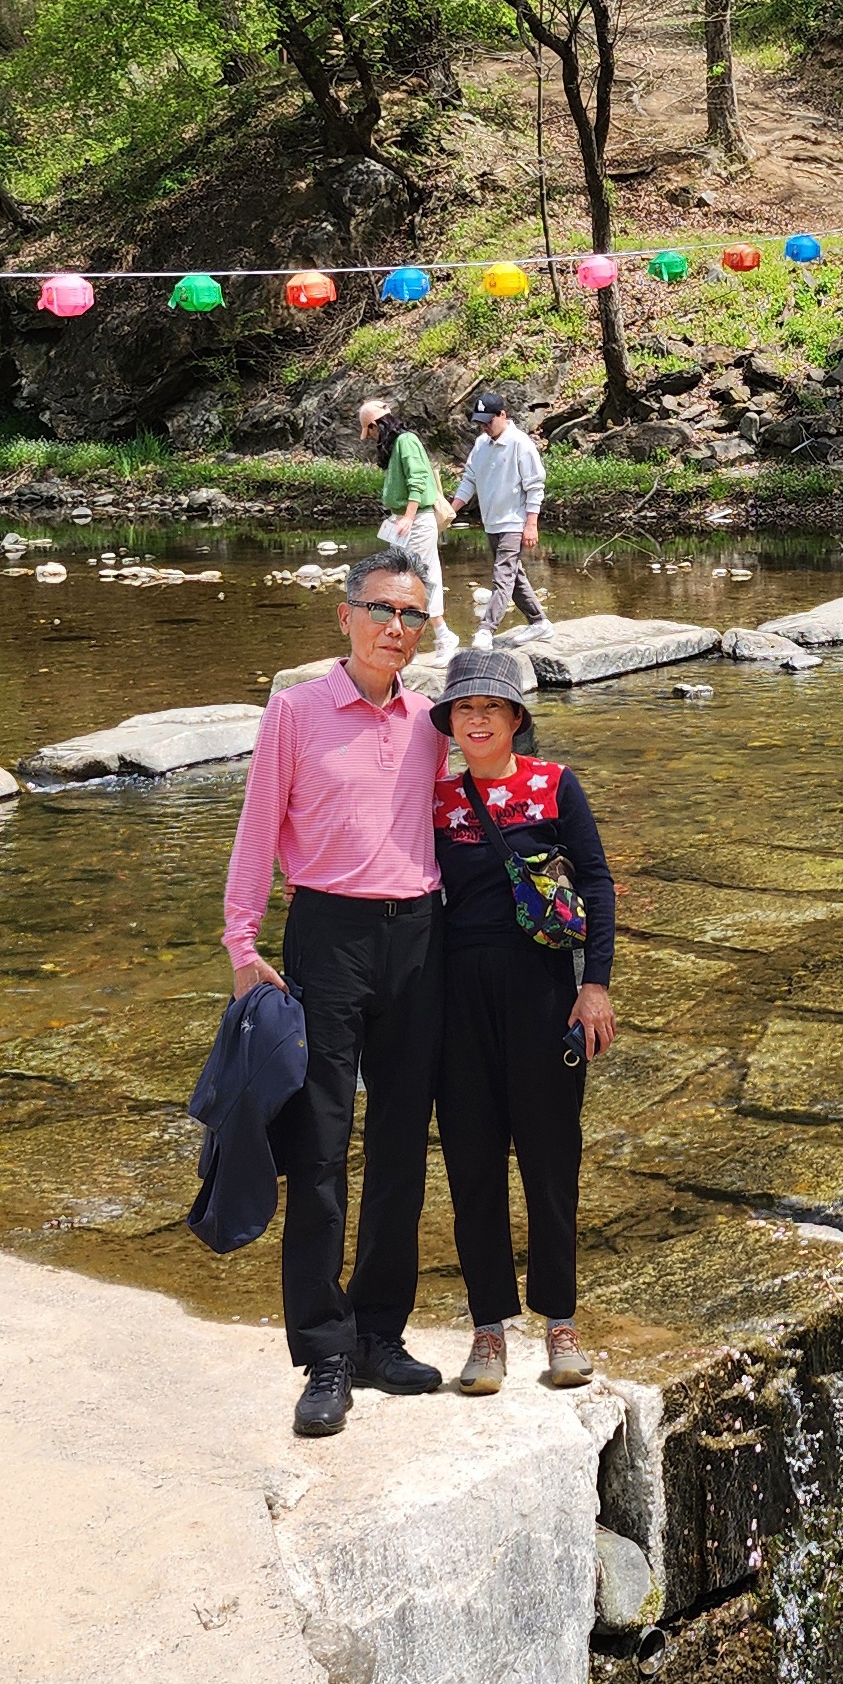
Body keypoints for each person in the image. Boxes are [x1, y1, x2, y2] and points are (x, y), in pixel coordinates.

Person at [225, 547, 453, 1436]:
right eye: (382, 609)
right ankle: (323, 1350)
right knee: (318, 1146)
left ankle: (378, 1333)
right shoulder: (295, 711)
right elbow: (257, 827)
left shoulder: (431, 721)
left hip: (419, 938)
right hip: (327, 937)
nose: (396, 627)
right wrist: (241, 941)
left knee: (400, 1143)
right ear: (346, 614)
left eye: (412, 614)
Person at [425, 650, 616, 1396]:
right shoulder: (435, 795)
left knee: (550, 1158)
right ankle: (488, 1329)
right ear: (449, 722)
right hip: (456, 998)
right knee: (472, 1162)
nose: (477, 720)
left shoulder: (554, 784)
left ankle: (560, 1323)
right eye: (464, 709)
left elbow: (596, 882)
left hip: (544, 992)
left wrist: (594, 986)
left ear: (515, 719)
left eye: (491, 708)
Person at [450, 395, 553, 648]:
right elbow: (469, 480)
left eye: (489, 421)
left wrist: (531, 524)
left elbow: (535, 485)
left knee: (503, 575)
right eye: (481, 423)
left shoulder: (520, 443)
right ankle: (540, 622)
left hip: (514, 522)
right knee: (514, 577)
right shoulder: (481, 444)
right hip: (492, 522)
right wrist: (451, 510)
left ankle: (486, 629)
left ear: (503, 415)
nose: (485, 427)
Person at [361, 400, 460, 654]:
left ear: (375, 425)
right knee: (413, 577)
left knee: (415, 578)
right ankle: (425, 639)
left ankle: (440, 636)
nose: (371, 438)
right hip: (403, 520)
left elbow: (418, 479)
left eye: (370, 432)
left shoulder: (406, 441)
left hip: (415, 521)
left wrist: (408, 516)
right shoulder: (397, 444)